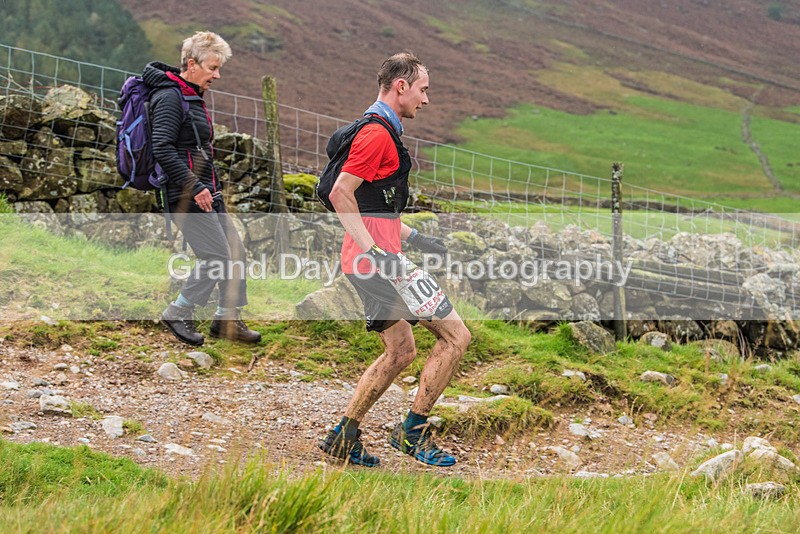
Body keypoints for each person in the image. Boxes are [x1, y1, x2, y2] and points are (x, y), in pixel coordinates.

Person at [318, 52, 471, 467]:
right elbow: (341, 194)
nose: (426, 99)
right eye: (423, 89)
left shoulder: (377, 129)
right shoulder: (376, 134)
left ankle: (343, 436)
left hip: (370, 261)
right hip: (378, 264)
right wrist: (375, 252)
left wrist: (417, 238)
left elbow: (373, 207)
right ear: (401, 86)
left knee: (400, 352)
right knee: (456, 338)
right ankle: (412, 433)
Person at [144, 31, 261, 346]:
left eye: (218, 68)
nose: (217, 75)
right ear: (192, 64)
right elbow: (162, 147)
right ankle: (179, 311)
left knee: (235, 252)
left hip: (207, 192)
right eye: (212, 68)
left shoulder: (190, 95)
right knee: (216, 256)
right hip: (186, 194)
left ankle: (226, 319)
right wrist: (195, 185)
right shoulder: (170, 97)